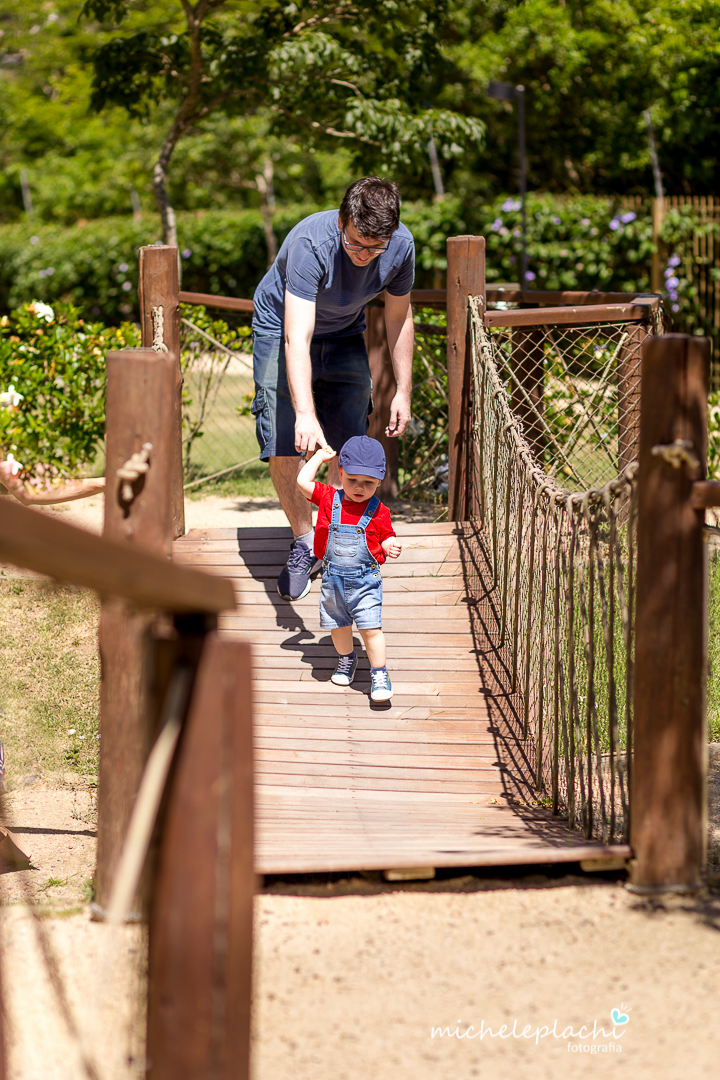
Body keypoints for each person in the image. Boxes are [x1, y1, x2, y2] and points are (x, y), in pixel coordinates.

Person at [251, 176, 414, 601]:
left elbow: (398, 317)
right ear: (342, 222)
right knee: (285, 435)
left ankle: (335, 537)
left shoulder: (400, 246)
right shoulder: (312, 243)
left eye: (375, 248)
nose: (364, 256)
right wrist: (304, 413)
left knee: (348, 438)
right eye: (356, 243)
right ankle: (304, 543)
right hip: (280, 328)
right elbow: (297, 336)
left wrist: (403, 390)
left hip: (344, 330)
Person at [297, 435, 402, 702]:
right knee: (339, 626)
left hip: (365, 582)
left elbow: (385, 535)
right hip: (333, 581)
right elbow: (302, 482)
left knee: (371, 629)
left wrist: (389, 544)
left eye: (368, 482)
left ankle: (379, 672)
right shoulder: (328, 498)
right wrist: (318, 458)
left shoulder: (378, 510)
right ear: (341, 473)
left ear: (379, 481)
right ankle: (347, 658)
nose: (359, 487)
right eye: (352, 479)